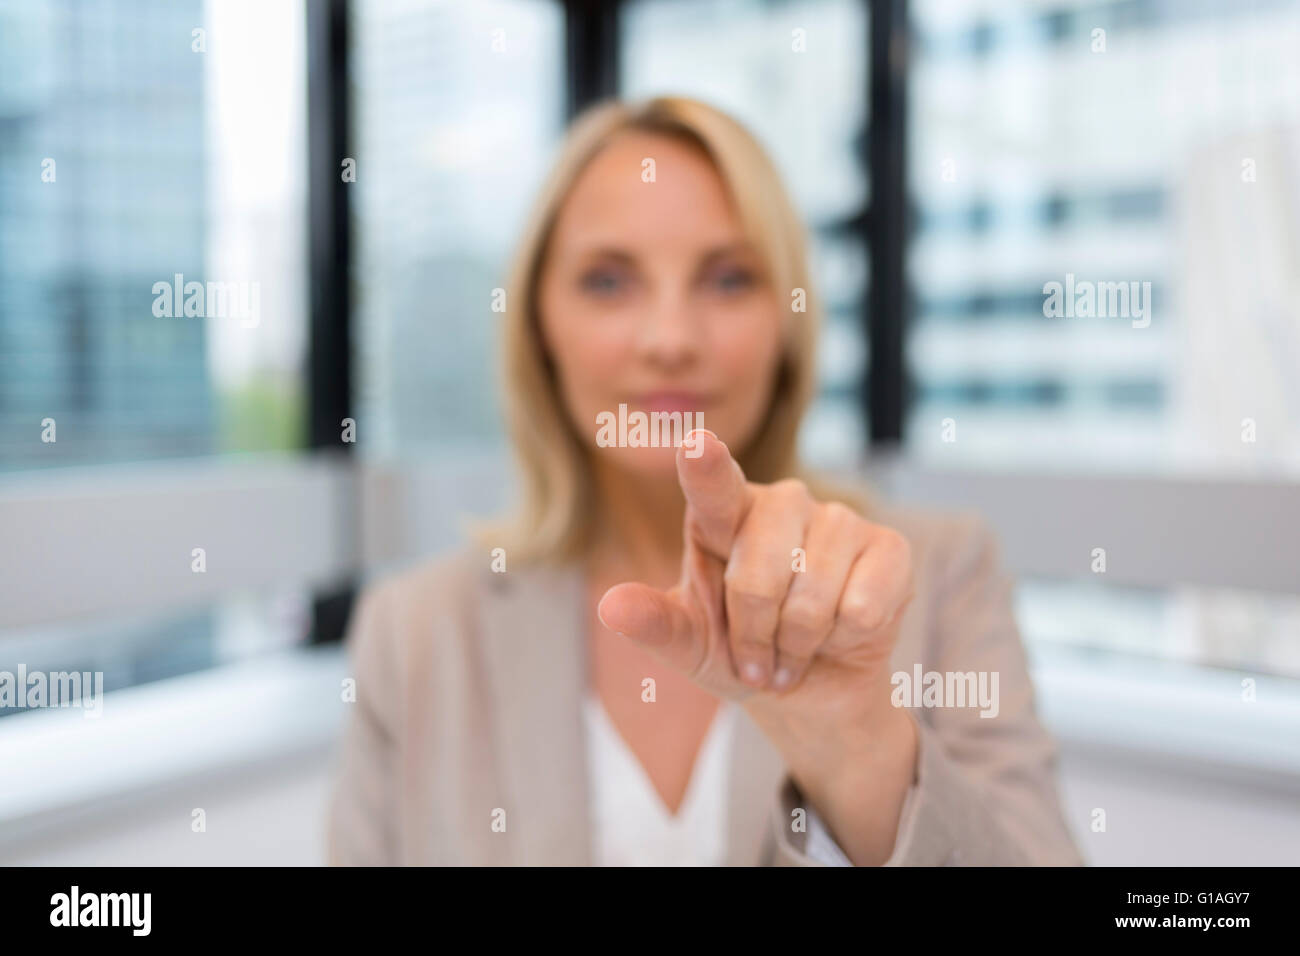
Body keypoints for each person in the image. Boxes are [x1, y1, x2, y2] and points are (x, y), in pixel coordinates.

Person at [326, 96, 1083, 866]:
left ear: (788, 325)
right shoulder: (414, 631)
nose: (670, 340)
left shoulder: (939, 572)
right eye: (608, 282)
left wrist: (856, 749)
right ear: (538, 328)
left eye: (728, 280)